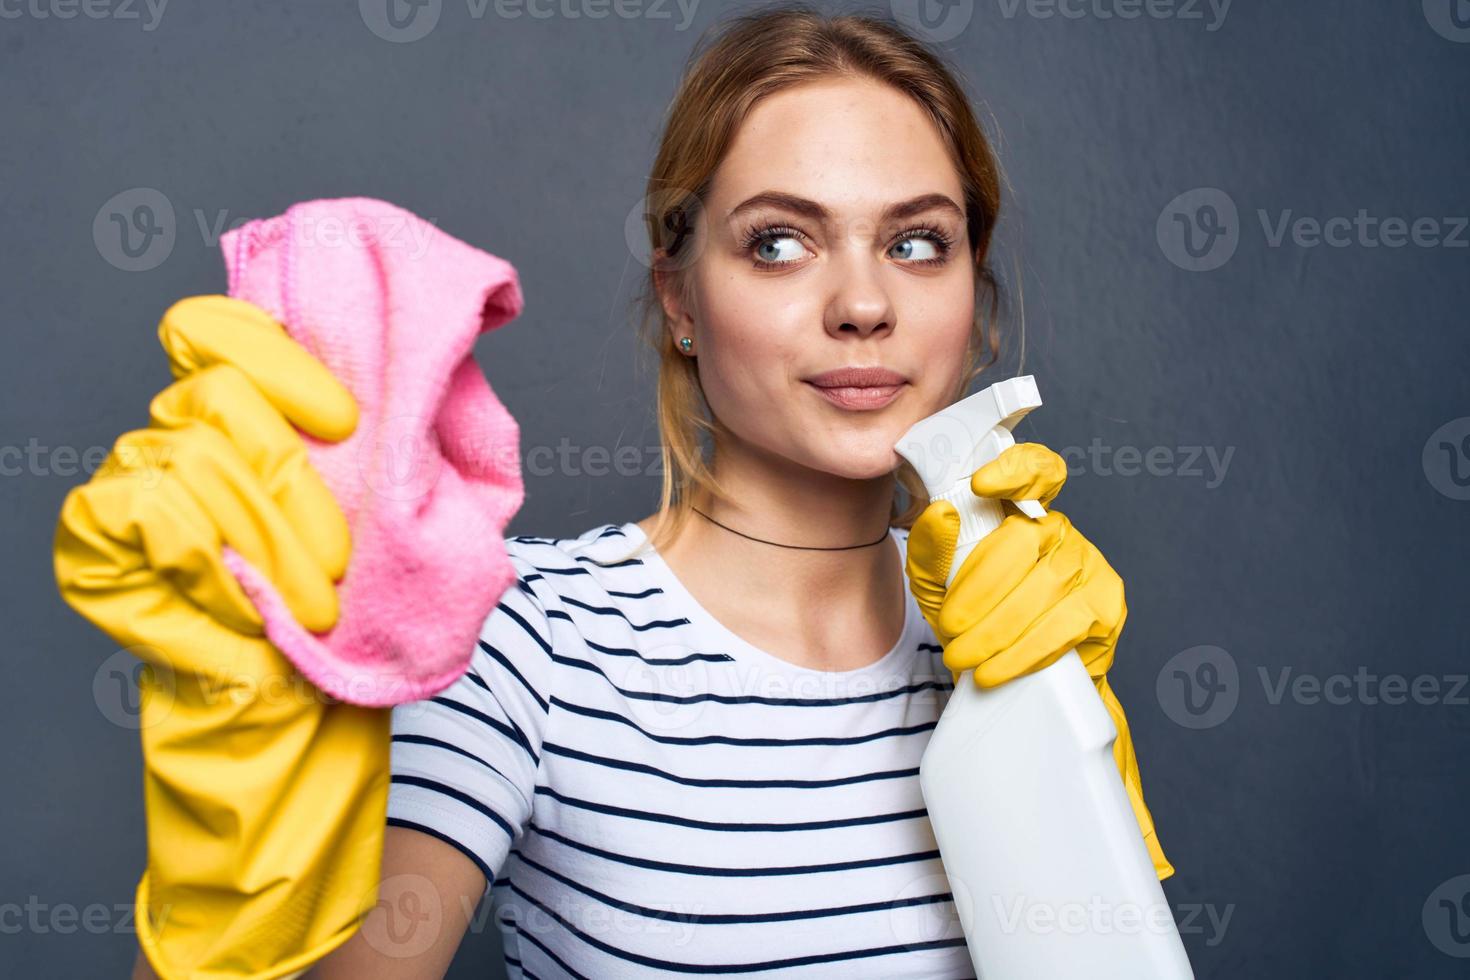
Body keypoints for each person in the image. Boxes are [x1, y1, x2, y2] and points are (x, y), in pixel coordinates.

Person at [59, 5, 1169, 977]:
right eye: (779, 242)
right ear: (679, 296)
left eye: (919, 242)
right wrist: (236, 883)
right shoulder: (527, 642)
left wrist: (1063, 760)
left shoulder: (1024, 626)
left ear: (973, 297)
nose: (864, 304)